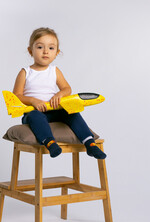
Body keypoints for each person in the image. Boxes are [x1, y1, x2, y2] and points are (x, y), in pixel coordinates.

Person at [12, 27, 107, 159]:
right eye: (40, 47)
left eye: (51, 48)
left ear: (56, 53)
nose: (45, 51)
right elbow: (16, 96)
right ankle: (50, 143)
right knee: (35, 116)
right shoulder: (25, 72)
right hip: (34, 111)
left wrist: (59, 94)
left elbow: (67, 88)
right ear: (30, 51)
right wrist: (33, 101)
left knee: (72, 113)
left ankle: (90, 144)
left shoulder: (55, 71)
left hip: (55, 110)